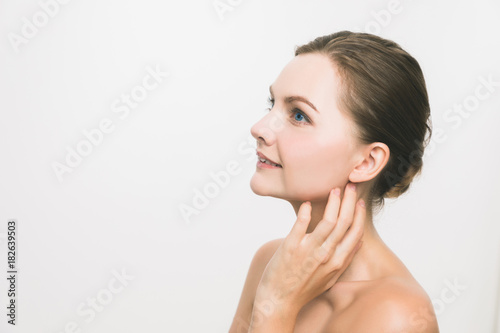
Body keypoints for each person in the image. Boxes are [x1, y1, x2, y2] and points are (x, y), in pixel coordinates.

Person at [229, 31, 439, 332]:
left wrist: (277, 305)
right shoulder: (269, 264)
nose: (260, 128)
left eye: (299, 115)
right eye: (272, 104)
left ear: (367, 162)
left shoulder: (398, 315)